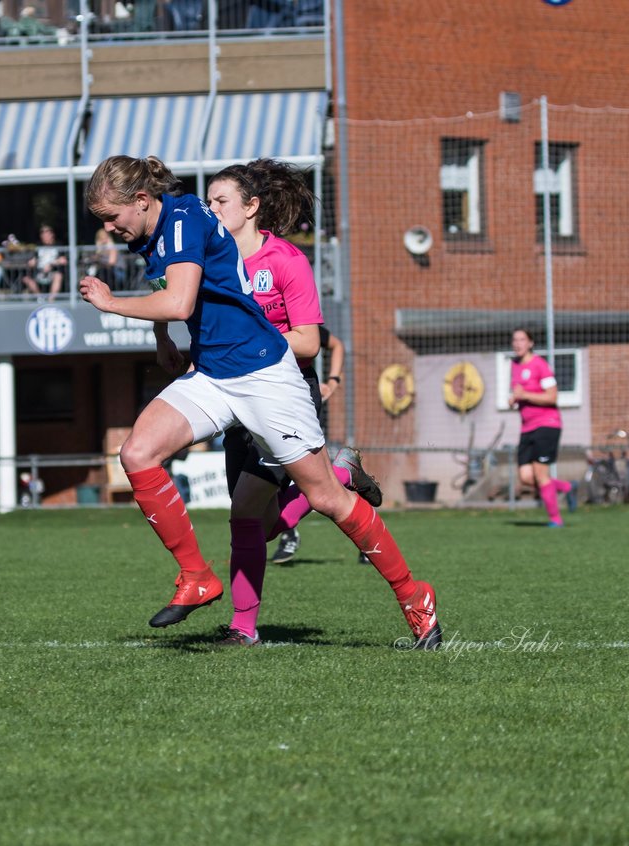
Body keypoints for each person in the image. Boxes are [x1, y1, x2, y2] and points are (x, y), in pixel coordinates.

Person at [78, 154, 441, 649]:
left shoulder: (183, 219)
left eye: (110, 218)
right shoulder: (152, 229)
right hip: (212, 373)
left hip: (264, 375)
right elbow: (169, 285)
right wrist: (163, 337)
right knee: (139, 454)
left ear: (141, 200)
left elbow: (181, 300)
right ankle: (198, 578)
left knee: (325, 500)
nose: (108, 229)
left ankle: (414, 595)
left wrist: (110, 303)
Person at [205, 159, 421, 647]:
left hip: (286, 399)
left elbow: (308, 343)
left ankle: (243, 629)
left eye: (221, 201)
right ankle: (339, 471)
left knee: (247, 515)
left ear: (252, 207)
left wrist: (252, 341)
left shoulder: (285, 260)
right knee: (251, 526)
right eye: (209, 201)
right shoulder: (213, 262)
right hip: (236, 398)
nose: (211, 210)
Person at [270, 324, 371, 565]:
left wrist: (333, 381)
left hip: (297, 404)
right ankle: (289, 531)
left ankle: (364, 539)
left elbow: (335, 344)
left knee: (315, 484)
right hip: (266, 404)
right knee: (262, 499)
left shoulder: (299, 326)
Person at [509, 327, 576, 527]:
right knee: (526, 477)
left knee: (540, 474)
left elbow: (552, 396)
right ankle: (566, 487)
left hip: (547, 425)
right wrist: (514, 400)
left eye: (522, 339)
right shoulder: (514, 365)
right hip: (526, 427)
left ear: (530, 343)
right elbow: (519, 393)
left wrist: (525, 395)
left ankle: (555, 519)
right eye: (515, 340)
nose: (518, 343)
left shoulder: (540, 365)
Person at [22, 224, 67, 300]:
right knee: (26, 279)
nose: (44, 236)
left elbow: (63, 260)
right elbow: (33, 260)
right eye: (42, 234)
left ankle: (51, 300)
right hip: (39, 273)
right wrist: (32, 262)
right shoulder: (38, 246)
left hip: (53, 273)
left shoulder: (59, 245)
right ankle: (40, 298)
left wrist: (51, 264)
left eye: (47, 234)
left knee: (58, 276)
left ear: (52, 235)